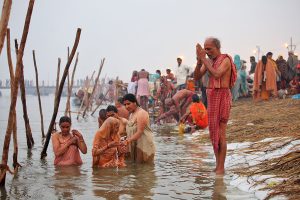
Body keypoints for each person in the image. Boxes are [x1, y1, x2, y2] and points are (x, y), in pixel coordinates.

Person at [195, 37, 237, 175]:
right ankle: (218, 165)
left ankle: (221, 167)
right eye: (205, 49)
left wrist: (204, 60)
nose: (207, 52)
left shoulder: (225, 59)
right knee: (213, 133)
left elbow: (217, 74)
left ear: (217, 47)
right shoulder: (209, 61)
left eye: (209, 49)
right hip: (212, 97)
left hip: (222, 96)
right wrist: (198, 61)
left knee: (221, 133)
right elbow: (196, 77)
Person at [122, 94, 155, 164]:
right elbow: (131, 128)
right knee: (136, 168)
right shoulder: (131, 114)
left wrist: (127, 141)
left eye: (128, 103)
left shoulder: (141, 113)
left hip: (144, 145)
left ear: (135, 102)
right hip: (136, 143)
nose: (126, 106)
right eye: (125, 105)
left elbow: (139, 132)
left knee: (144, 170)